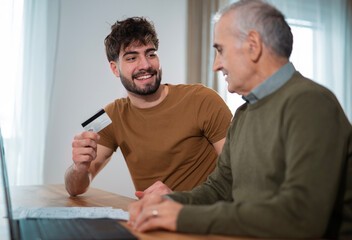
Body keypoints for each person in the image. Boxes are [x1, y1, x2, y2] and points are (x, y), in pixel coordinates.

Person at [128, 1, 352, 239]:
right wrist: (168, 203)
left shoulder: (311, 103)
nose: (216, 65)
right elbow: (219, 189)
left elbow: (301, 218)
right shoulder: (244, 113)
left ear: (253, 46)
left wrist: (181, 216)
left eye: (221, 50)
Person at [64, 17, 232, 198]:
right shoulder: (109, 115)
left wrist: (181, 200)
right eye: (131, 58)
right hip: (153, 220)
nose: (145, 65)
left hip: (205, 220)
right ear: (115, 69)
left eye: (151, 54)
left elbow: (238, 175)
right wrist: (79, 167)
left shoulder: (203, 99)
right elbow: (74, 188)